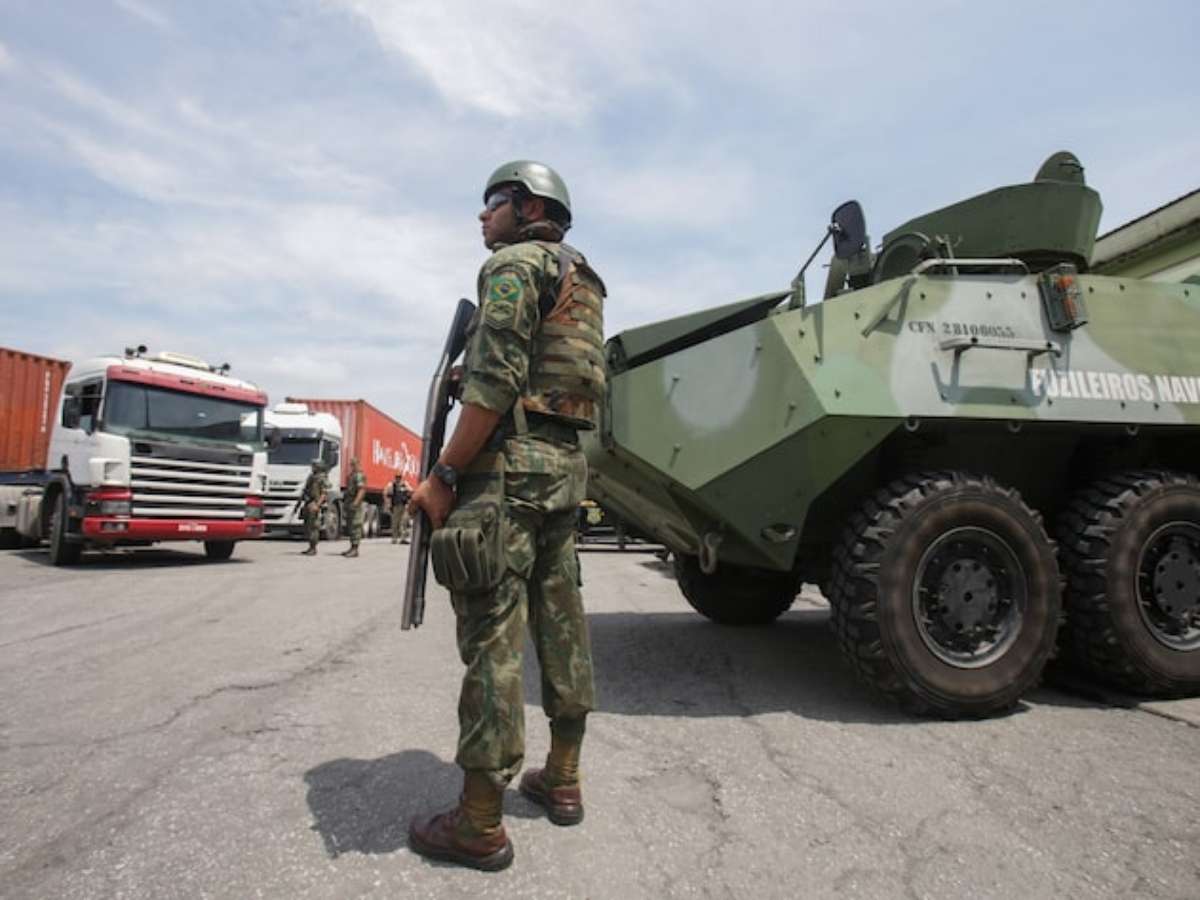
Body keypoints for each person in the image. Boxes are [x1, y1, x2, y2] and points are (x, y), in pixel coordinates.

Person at [407, 160, 606, 872]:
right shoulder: (583, 279)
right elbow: (552, 377)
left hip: (509, 474)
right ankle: (563, 777)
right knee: (562, 624)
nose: (481, 214)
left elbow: (494, 383)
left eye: (493, 200)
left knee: (493, 635)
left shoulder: (513, 266)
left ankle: (479, 823)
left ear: (528, 208)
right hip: (562, 469)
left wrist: (443, 475)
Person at [299, 460, 328, 556]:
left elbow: (324, 494)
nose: (312, 468)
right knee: (308, 526)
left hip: (315, 503)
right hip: (309, 502)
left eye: (314, 466)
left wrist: (317, 505)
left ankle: (313, 548)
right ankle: (310, 547)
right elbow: (306, 490)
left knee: (314, 527)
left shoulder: (322, 478)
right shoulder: (312, 477)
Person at [342, 457, 366, 558]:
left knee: (356, 525)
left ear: (357, 464)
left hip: (354, 503)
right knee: (351, 526)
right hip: (349, 502)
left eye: (353, 464)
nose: (352, 466)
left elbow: (361, 490)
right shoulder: (352, 475)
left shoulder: (359, 475)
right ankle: (352, 547)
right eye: (351, 464)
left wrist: (355, 503)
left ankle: (355, 549)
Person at [386, 472, 412, 544]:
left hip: (404, 506)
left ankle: (403, 538)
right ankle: (394, 538)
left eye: (399, 477)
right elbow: (389, 495)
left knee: (403, 522)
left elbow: (410, 491)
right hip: (396, 506)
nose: (398, 479)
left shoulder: (405, 484)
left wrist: (406, 487)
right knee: (395, 523)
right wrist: (389, 505)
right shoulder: (392, 485)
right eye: (397, 477)